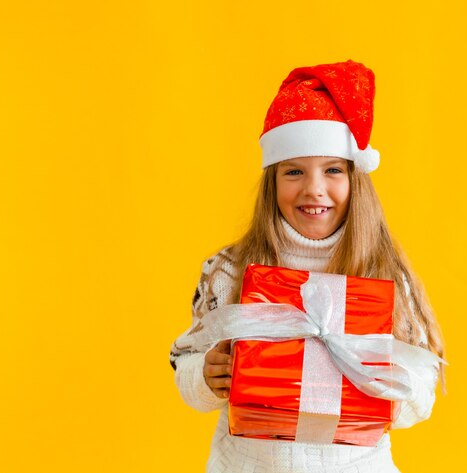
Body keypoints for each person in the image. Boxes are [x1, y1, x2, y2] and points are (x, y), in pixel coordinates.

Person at [170, 59, 446, 473]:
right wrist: (205, 377)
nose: (313, 188)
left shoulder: (384, 276)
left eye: (333, 170)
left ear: (356, 180)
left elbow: (421, 396)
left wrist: (390, 387)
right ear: (272, 183)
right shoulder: (230, 270)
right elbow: (185, 359)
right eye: (294, 171)